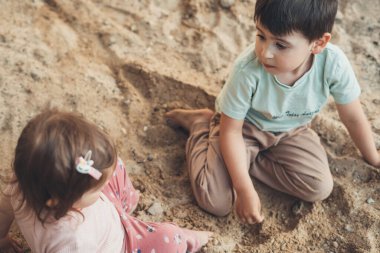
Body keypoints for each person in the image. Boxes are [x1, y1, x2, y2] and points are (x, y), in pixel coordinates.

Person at [165, 0, 380, 225]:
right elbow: (231, 133)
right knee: (216, 201)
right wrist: (244, 188)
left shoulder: (333, 64)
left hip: (291, 130)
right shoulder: (247, 71)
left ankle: (248, 158)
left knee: (318, 187)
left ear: (318, 43)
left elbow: (353, 116)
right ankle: (202, 123)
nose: (265, 52)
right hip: (243, 129)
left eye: (280, 45)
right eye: (261, 36)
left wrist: (372, 156)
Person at [0, 109, 212, 253]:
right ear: (58, 202)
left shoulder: (20, 182)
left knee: (114, 165)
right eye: (96, 189)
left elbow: (3, 211)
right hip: (121, 243)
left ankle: (126, 205)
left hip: (106, 216)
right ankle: (191, 240)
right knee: (170, 236)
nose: (102, 187)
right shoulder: (72, 241)